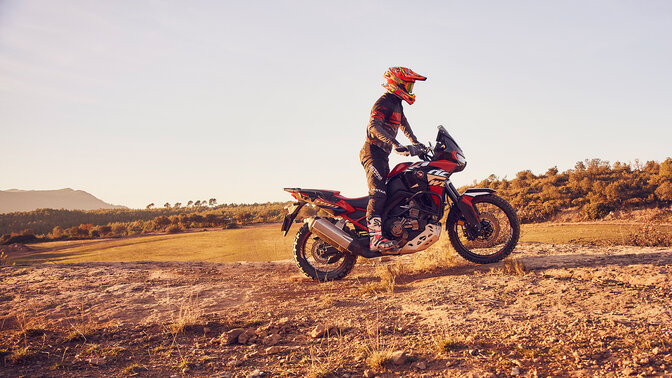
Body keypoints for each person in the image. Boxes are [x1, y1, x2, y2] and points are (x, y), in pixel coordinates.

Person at [360, 67, 427, 252]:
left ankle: (390, 230)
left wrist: (417, 143)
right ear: (397, 84)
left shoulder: (397, 104)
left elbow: (404, 125)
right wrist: (395, 142)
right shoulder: (383, 102)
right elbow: (373, 126)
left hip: (383, 155)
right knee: (379, 193)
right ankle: (375, 239)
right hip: (372, 153)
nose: (410, 89)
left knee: (393, 192)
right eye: (408, 84)